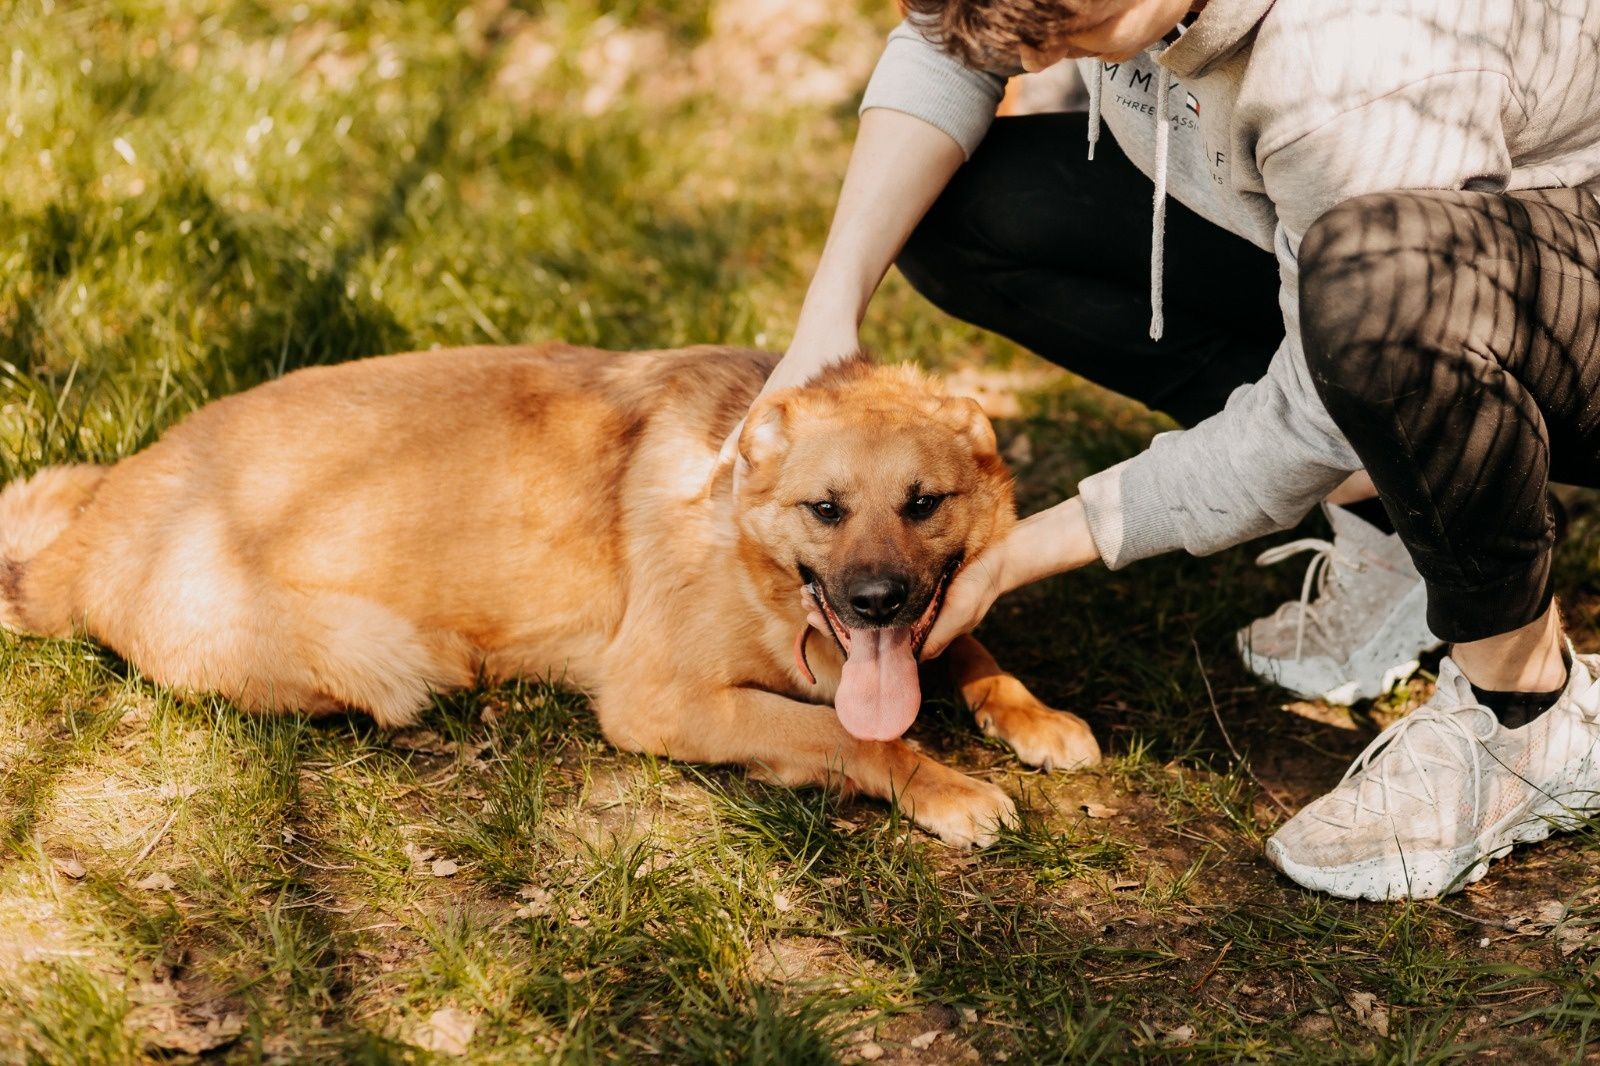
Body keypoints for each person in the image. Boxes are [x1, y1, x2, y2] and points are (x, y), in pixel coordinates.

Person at [729, 0, 1600, 900]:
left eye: (1067, 35)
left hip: (1551, 268)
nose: (1042, 62)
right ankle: (1401, 512)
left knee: (1373, 286)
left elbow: (1320, 406)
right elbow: (955, 44)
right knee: (961, 209)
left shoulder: (1360, 58)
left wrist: (1016, 554)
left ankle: (1526, 710)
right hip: (1369, 226)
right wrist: (825, 320)